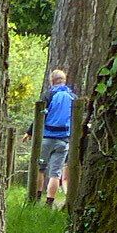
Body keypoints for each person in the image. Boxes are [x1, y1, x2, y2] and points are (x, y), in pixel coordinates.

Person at [40, 67, 76, 206]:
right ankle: (50, 202)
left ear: (52, 81)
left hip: (46, 137)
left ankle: (35, 197)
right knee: (55, 173)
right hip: (63, 140)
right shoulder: (72, 97)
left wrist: (30, 132)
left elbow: (40, 115)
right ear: (64, 81)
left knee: (40, 168)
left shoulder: (48, 95)